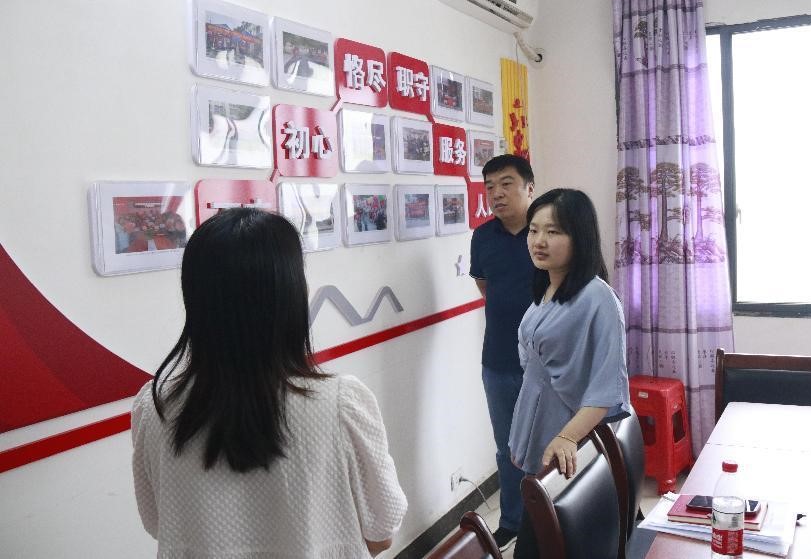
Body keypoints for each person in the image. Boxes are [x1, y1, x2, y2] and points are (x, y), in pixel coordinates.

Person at [131, 208, 407, 558]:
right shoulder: (341, 402)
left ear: (195, 297)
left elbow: (158, 523)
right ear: (289, 294)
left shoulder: (154, 406)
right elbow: (382, 532)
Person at [508, 189, 633, 558]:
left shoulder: (599, 299)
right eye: (534, 230)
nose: (539, 241)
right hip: (540, 430)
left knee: (552, 541)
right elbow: (535, 371)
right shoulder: (548, 287)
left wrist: (565, 437)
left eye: (554, 231)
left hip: (569, 436)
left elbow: (606, 388)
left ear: (580, 236)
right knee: (539, 536)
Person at [469, 154, 536, 550]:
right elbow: (486, 287)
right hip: (497, 360)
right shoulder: (483, 237)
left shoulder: (546, 231)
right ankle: (512, 521)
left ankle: (557, 516)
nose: (496, 193)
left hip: (547, 363)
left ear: (529, 187)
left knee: (554, 442)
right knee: (509, 449)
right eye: (490, 186)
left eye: (506, 183)